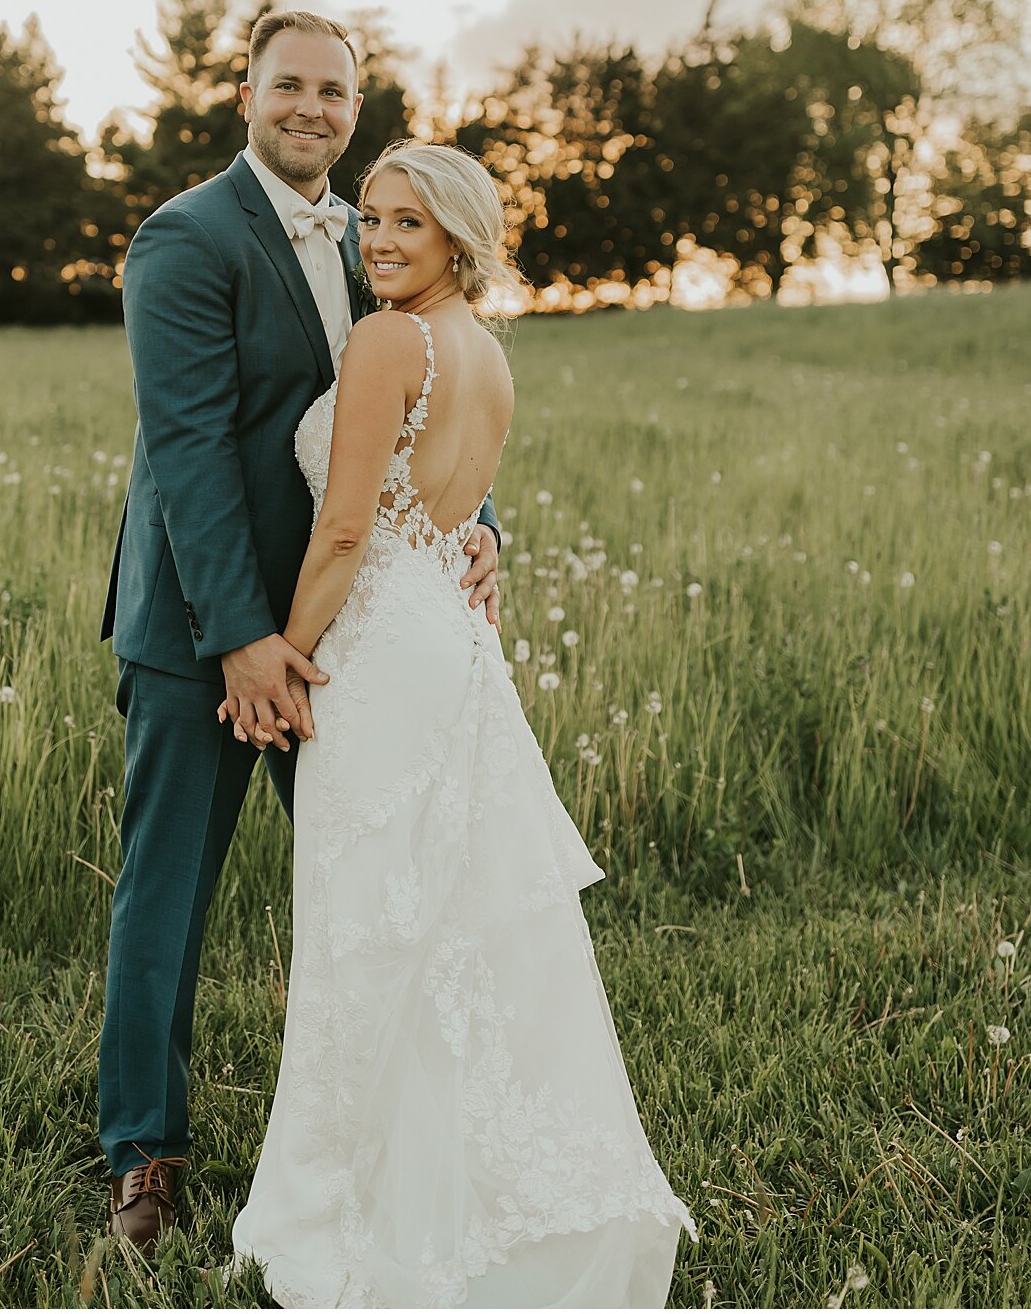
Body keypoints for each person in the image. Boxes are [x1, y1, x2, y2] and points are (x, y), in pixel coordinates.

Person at [225, 140, 698, 1308]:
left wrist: (282, 653)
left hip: (381, 653)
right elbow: (452, 509)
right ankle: (453, 1173)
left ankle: (370, 1205)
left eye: (406, 225)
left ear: (455, 240)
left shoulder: (388, 339)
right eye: (371, 219)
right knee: (446, 925)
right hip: (456, 643)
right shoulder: (484, 352)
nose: (378, 240)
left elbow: (343, 531)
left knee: (371, 930)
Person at [96, 12, 503, 1253]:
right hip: (208, 635)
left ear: (355, 104)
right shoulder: (185, 238)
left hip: (354, 638)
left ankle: (397, 1134)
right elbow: (192, 455)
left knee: (379, 891)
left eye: (334, 89)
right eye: (290, 86)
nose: (312, 107)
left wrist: (479, 525)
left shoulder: (371, 243)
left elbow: (409, 408)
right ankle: (145, 1153)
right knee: (169, 890)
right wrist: (241, 638)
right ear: (247, 96)